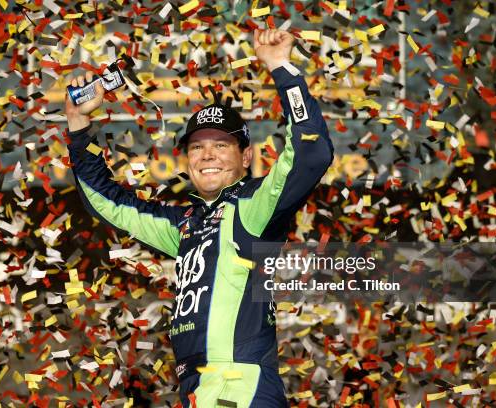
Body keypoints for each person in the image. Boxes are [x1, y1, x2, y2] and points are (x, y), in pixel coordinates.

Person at [65, 28, 333, 408]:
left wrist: (280, 66)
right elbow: (106, 202)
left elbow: (312, 153)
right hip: (197, 389)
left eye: (221, 145)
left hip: (240, 386)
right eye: (197, 147)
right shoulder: (184, 226)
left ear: (245, 157)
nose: (207, 155)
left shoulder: (253, 207)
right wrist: (78, 125)